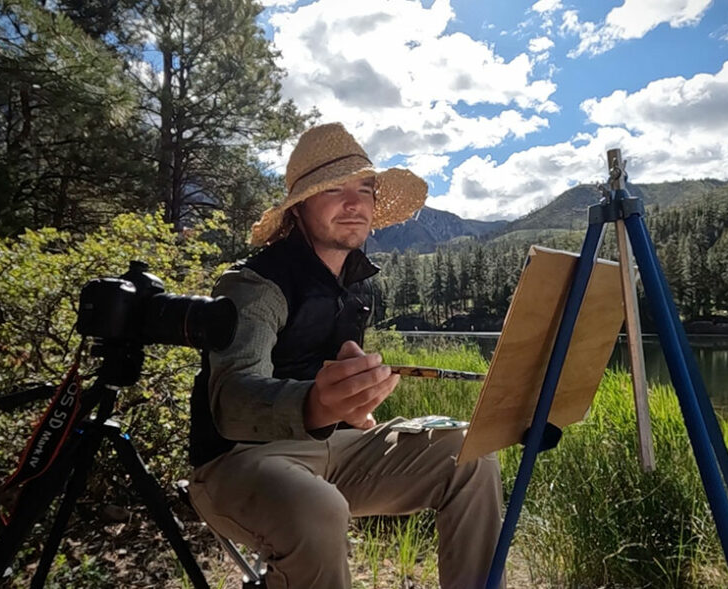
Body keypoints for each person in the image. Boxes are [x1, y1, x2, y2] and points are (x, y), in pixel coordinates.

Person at [187, 122, 504, 589]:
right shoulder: (253, 286)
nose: (354, 203)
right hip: (237, 462)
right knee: (319, 508)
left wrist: (350, 404)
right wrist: (315, 404)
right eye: (333, 189)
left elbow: (340, 399)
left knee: (470, 453)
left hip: (331, 450)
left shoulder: (356, 289)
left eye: (365, 189)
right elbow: (232, 402)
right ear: (298, 209)